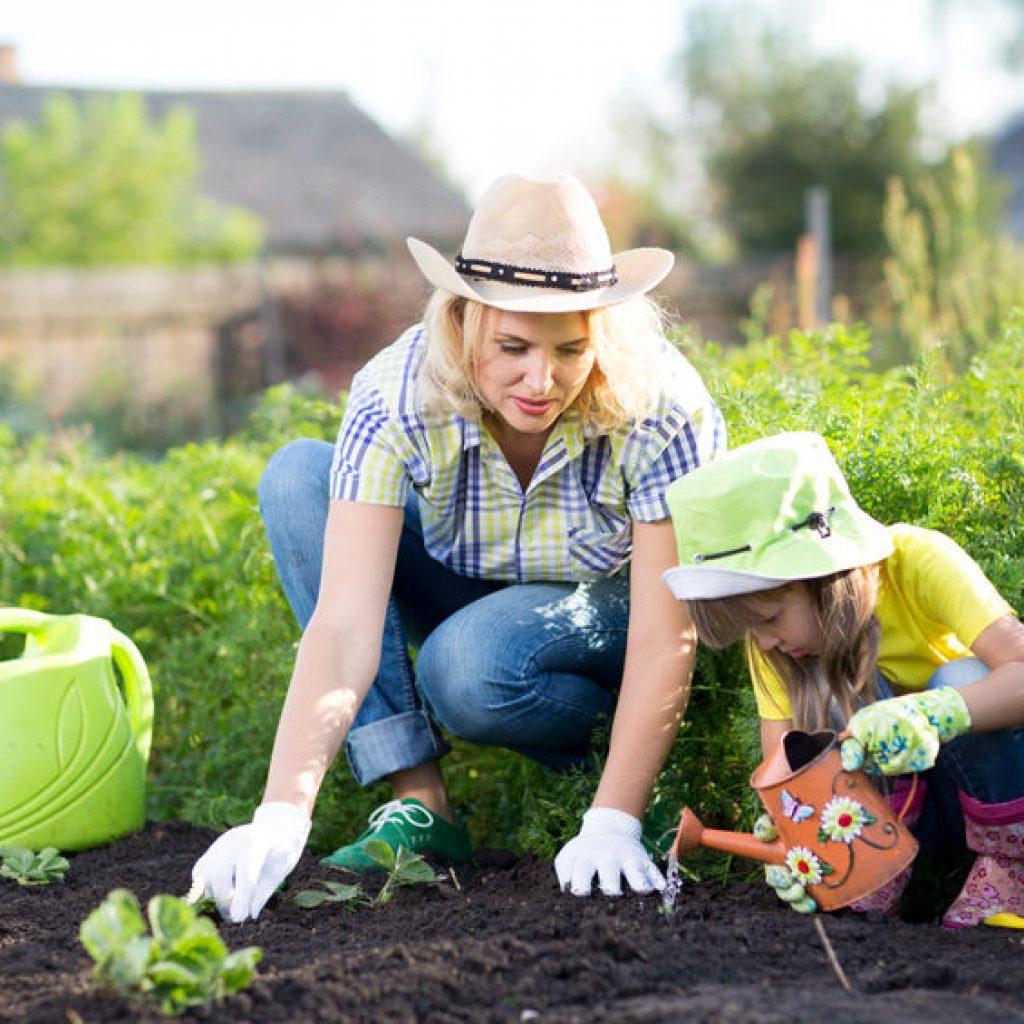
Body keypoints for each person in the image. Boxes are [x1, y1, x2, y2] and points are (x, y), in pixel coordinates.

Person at [191, 172, 727, 922]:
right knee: (297, 478)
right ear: (465, 317)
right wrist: (281, 811)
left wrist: (615, 817)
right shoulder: (396, 395)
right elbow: (344, 626)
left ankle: (629, 776)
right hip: (465, 583)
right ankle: (423, 808)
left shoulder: (658, 405)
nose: (541, 381)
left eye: (570, 349)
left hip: (607, 609)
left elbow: (668, 632)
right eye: (512, 346)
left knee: (467, 667)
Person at [661, 431, 1024, 929]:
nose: (763, 642)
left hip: (983, 795)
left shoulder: (917, 561)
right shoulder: (780, 646)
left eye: (768, 619)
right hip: (887, 821)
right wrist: (797, 835)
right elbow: (781, 763)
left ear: (821, 574)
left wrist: (934, 711)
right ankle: (869, 878)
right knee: (824, 683)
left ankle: (1010, 871)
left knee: (962, 673)